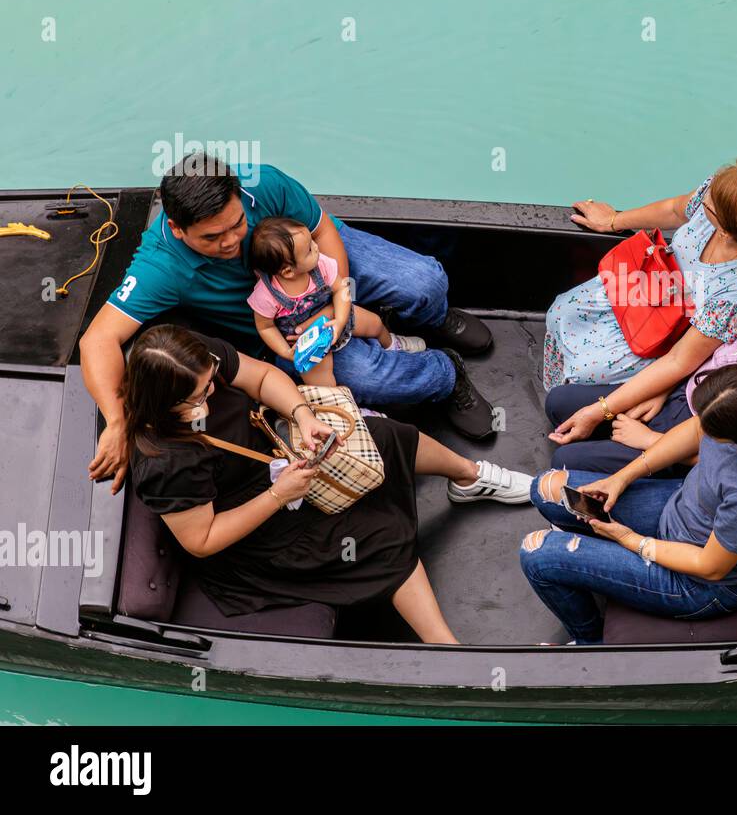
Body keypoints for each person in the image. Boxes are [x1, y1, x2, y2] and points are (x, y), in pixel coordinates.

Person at [85, 152, 498, 494]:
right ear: (176, 229)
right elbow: (98, 340)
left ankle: (434, 317)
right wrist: (118, 420)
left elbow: (322, 230)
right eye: (212, 239)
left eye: (236, 226)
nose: (230, 243)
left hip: (316, 262)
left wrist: (337, 300)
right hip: (285, 331)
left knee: (423, 282)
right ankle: (446, 372)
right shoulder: (161, 265)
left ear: (241, 198)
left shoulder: (263, 182)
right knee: (370, 378)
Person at [122, 325, 534, 644]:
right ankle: (446, 646)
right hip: (253, 531)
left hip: (277, 453)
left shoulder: (193, 358)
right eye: (197, 398)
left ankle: (469, 477)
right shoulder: (165, 463)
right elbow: (203, 539)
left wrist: (303, 415)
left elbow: (263, 378)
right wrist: (279, 495)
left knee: (385, 436)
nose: (211, 396)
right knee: (376, 537)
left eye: (211, 381)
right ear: (163, 402)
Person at [520, 362, 737, 645]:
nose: (704, 433)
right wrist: (621, 478)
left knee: (536, 552)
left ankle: (590, 641)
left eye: (712, 433)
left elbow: (710, 567)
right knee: (546, 487)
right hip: (677, 507)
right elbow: (694, 432)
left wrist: (633, 541)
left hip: (696, 583)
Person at [544, 159, 737, 451]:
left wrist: (601, 409)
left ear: (726, 232)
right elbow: (675, 209)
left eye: (709, 205)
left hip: (676, 330)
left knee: (584, 369)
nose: (702, 196)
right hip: (657, 282)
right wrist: (614, 220)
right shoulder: (728, 196)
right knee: (562, 312)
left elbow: (683, 358)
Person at [547, 282, 737, 474]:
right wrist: (662, 389)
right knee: (558, 402)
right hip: (681, 395)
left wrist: (650, 440)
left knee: (564, 461)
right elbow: (688, 359)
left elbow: (730, 464)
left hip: (685, 442)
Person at [246, 216, 425, 387]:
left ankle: (392, 345)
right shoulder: (266, 295)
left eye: (312, 241)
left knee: (376, 323)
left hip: (336, 316)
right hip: (308, 343)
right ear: (288, 271)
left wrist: (340, 320)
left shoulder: (320, 265)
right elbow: (266, 327)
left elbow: (341, 289)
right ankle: (347, 407)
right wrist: (286, 352)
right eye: (309, 249)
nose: (316, 247)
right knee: (323, 383)